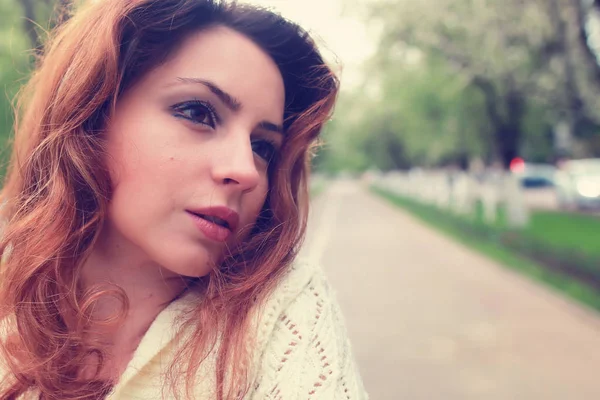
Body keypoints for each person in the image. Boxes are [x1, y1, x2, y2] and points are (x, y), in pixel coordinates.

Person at [0, 0, 368, 399]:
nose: (246, 170)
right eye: (197, 112)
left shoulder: (283, 308)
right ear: (92, 114)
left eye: (263, 147)